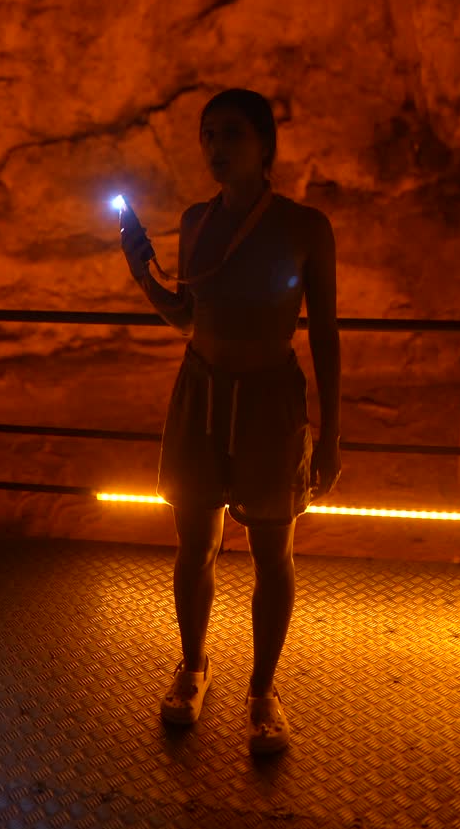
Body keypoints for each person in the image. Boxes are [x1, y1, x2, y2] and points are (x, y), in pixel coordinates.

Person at [120, 88, 341, 755]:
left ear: (265, 145)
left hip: (271, 401)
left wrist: (331, 434)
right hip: (202, 391)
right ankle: (193, 668)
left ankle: (263, 691)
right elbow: (189, 318)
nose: (216, 147)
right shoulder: (195, 222)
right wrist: (143, 276)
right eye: (208, 134)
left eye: (232, 133)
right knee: (195, 543)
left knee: (273, 552)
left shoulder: (305, 227)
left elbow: (324, 333)